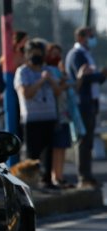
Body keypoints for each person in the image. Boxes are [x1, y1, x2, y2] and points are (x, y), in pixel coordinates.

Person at [14, 39, 61, 190]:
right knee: (32, 153)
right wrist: (42, 80)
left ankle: (47, 180)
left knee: (48, 152)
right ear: (27, 55)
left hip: (49, 117)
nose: (36, 57)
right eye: (33, 54)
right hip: (32, 119)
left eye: (39, 54)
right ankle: (30, 183)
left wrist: (51, 80)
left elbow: (58, 92)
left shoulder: (48, 70)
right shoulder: (22, 71)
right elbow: (26, 93)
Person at [65, 26, 107, 188]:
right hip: (82, 103)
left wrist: (101, 76)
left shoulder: (86, 54)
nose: (93, 38)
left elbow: (95, 78)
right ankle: (84, 175)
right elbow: (84, 78)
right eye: (90, 36)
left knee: (88, 140)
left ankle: (87, 174)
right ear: (81, 37)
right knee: (84, 140)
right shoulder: (76, 55)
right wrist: (101, 75)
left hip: (91, 101)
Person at [45, 43, 74, 188]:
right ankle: (55, 175)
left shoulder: (58, 70)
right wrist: (64, 84)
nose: (56, 57)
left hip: (63, 112)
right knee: (56, 146)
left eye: (58, 54)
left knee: (62, 146)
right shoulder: (48, 70)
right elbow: (56, 90)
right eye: (53, 54)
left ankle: (60, 175)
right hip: (54, 113)